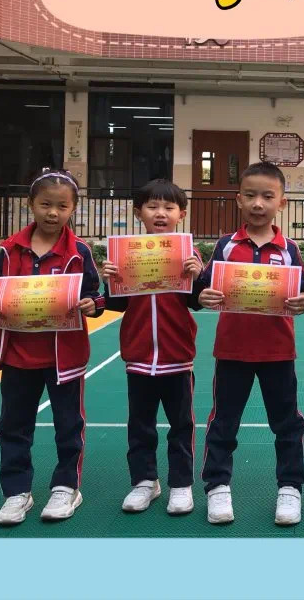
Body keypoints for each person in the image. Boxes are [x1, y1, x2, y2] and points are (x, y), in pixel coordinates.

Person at [0, 168, 104, 526]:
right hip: (18, 355)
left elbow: (95, 295)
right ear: (30, 204)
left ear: (73, 208)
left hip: (65, 357)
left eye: (62, 206)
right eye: (46, 204)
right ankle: (17, 492)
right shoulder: (8, 250)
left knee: (68, 423)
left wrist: (93, 305)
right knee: (13, 425)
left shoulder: (79, 252)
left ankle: (66, 487)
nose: (53, 212)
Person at [197, 162, 304, 526]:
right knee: (224, 422)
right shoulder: (226, 245)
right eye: (250, 195)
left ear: (282, 202)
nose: (258, 203)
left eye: (267, 196)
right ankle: (217, 486)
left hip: (278, 352)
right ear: (238, 199)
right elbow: (204, 287)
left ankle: (290, 487)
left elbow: (303, 292)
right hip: (232, 350)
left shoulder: (289, 248)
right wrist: (204, 295)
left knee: (287, 423)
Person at [101, 179, 204, 516]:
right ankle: (144, 481)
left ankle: (181, 484)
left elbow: (198, 301)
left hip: (177, 356)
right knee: (140, 425)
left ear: (181, 214)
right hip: (139, 356)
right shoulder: (125, 254)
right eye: (152, 206)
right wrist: (110, 279)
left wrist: (198, 275)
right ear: (138, 212)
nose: (161, 213)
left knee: (181, 425)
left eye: (169, 207)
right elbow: (117, 304)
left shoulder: (188, 254)